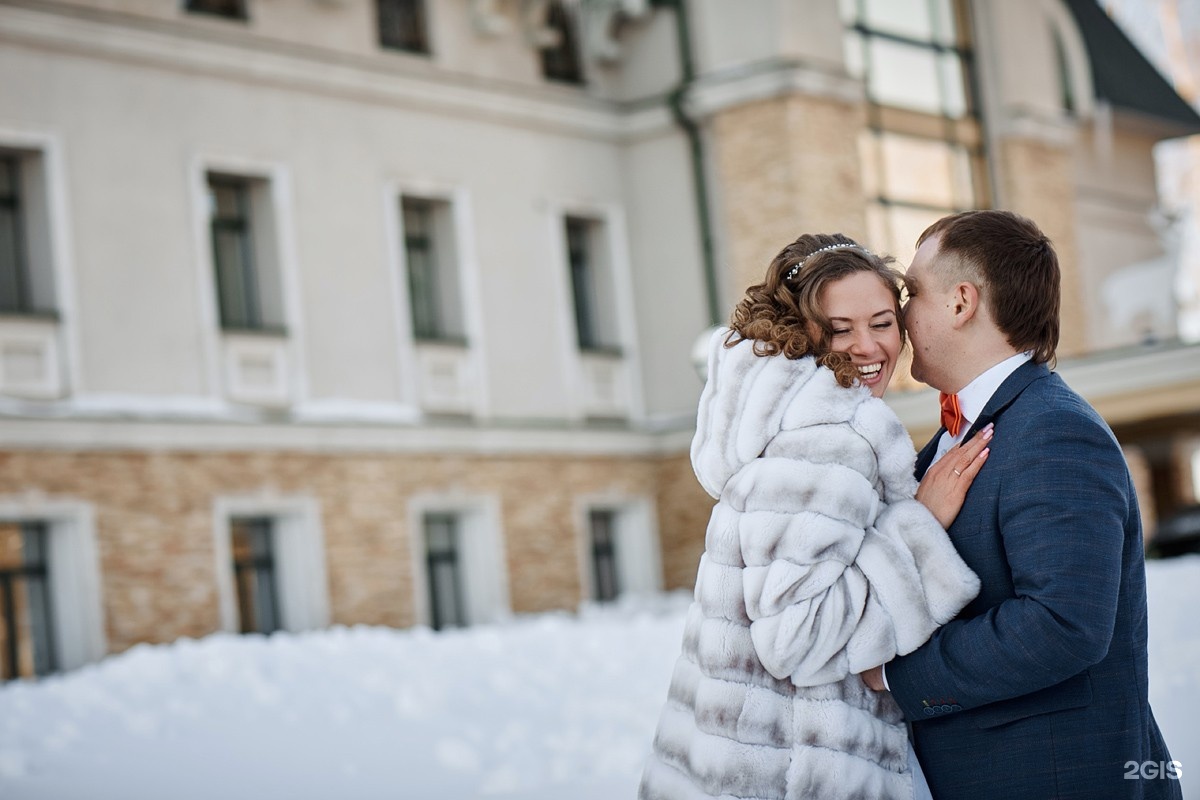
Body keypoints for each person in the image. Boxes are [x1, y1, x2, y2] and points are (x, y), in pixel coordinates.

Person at [639, 234, 990, 800]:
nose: (868, 346)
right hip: (802, 771)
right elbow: (798, 638)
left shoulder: (775, 426)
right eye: (840, 328)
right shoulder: (829, 443)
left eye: (881, 322)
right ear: (803, 331)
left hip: (743, 766)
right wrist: (919, 528)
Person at [861, 210, 1180, 799]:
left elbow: (1063, 624)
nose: (901, 314)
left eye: (912, 291)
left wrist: (894, 675)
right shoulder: (956, 437)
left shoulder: (1055, 431)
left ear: (961, 302)